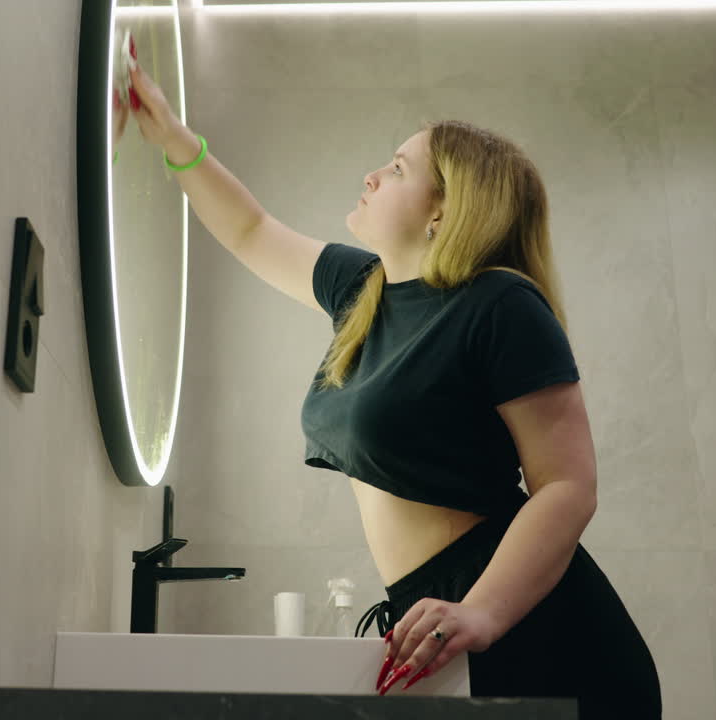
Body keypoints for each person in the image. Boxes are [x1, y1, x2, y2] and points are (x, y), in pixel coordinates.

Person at [127, 64, 662, 718]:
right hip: (433, 610)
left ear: (445, 208)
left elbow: (568, 485)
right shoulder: (364, 288)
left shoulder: (500, 303)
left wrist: (483, 610)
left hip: (534, 626)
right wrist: (173, 137)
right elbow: (250, 230)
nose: (372, 176)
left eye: (400, 169)